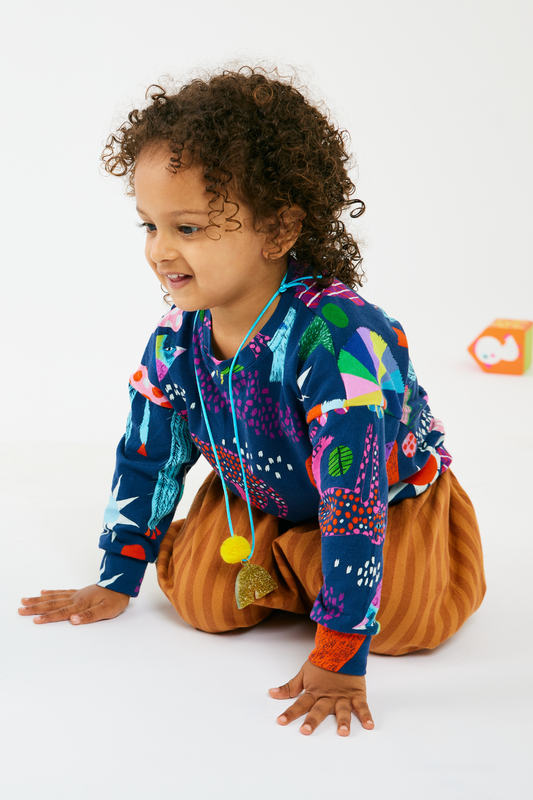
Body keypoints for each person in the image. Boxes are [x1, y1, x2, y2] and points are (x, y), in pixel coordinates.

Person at [19, 67, 486, 736]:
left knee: (410, 621)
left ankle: (324, 590)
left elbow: (353, 502)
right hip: (257, 499)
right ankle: (296, 569)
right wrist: (119, 574)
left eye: (188, 227)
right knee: (204, 607)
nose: (160, 250)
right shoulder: (174, 343)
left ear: (277, 229)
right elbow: (147, 459)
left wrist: (337, 654)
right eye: (149, 225)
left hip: (384, 502)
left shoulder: (340, 339)